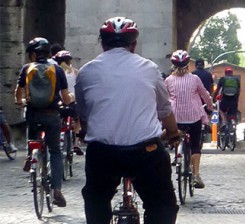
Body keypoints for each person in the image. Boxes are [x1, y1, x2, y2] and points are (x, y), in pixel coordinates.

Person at [75, 17, 181, 224]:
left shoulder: (86, 71)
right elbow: (164, 109)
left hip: (103, 153)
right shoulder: (149, 69)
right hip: (145, 153)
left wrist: (86, 131)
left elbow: (84, 112)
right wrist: (173, 132)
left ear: (103, 43)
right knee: (163, 205)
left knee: (95, 200)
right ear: (133, 44)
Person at [14, 37, 73, 207]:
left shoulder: (27, 68)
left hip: (33, 114)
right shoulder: (57, 69)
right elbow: (65, 96)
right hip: (52, 114)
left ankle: (29, 155)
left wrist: (19, 101)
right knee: (55, 151)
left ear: (33, 54)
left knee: (32, 136)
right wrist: (68, 102)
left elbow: (19, 92)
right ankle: (57, 191)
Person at [165, 50, 214, 189]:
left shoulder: (168, 80)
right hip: (193, 117)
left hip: (175, 118)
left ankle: (177, 154)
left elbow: (163, 99)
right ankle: (196, 175)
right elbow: (205, 95)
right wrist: (210, 108)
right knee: (195, 145)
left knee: (174, 135)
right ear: (187, 64)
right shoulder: (194, 79)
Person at [54, 50, 84, 155]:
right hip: (72, 102)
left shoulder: (55, 72)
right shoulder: (75, 72)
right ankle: (75, 142)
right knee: (77, 119)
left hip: (58, 103)